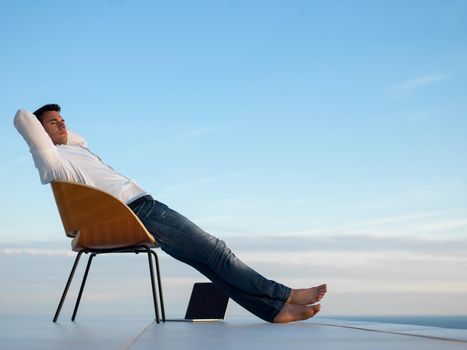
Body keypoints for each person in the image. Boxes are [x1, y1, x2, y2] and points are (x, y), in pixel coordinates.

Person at [14, 104, 327, 323]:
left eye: (63, 119)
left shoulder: (74, 149)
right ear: (40, 134)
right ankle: (284, 294)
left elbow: (75, 136)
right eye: (54, 122)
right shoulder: (52, 161)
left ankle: (272, 312)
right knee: (217, 251)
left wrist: (62, 132)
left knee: (208, 262)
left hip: (140, 208)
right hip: (138, 211)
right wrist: (47, 130)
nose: (63, 124)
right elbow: (22, 117)